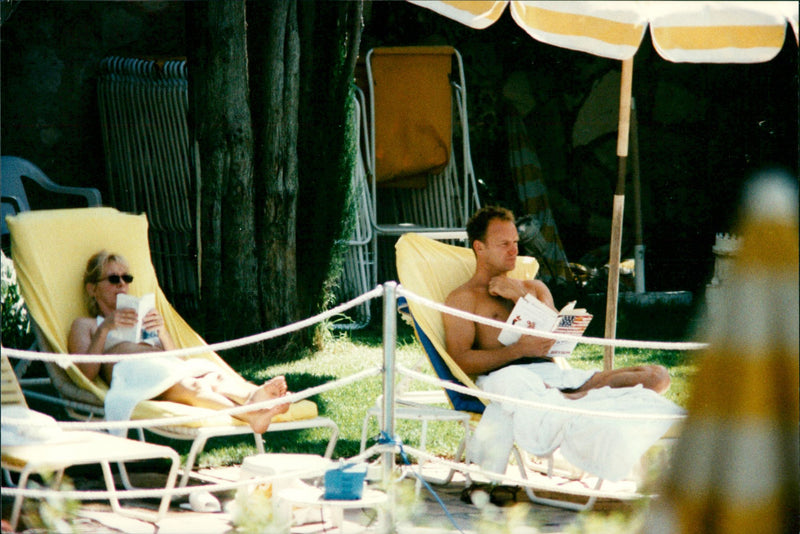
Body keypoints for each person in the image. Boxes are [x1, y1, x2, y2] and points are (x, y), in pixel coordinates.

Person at [443, 206, 670, 399]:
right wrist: (518, 350)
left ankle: (572, 399)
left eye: (515, 242)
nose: (514, 250)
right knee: (519, 385)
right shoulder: (463, 299)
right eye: (504, 244)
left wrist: (520, 296)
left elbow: (558, 337)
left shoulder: (534, 288)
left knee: (657, 377)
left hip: (556, 377)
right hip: (509, 380)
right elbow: (461, 361)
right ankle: (578, 400)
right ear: (479, 247)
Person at [68, 250, 289, 433]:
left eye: (127, 278)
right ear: (92, 288)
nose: (122, 284)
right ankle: (252, 414)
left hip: (164, 368)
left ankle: (252, 397)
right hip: (131, 373)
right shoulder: (86, 325)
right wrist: (106, 327)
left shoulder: (142, 316)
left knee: (212, 376)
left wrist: (161, 331)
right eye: (113, 279)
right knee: (192, 385)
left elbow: (179, 361)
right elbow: (84, 375)